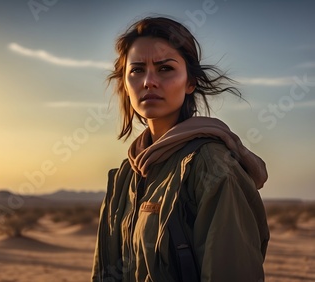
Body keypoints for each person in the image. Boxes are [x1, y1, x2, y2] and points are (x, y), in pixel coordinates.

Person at [91, 16, 269, 282]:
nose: (149, 81)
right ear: (125, 84)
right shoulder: (125, 175)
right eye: (137, 70)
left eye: (165, 69)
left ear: (190, 82)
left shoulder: (211, 164)